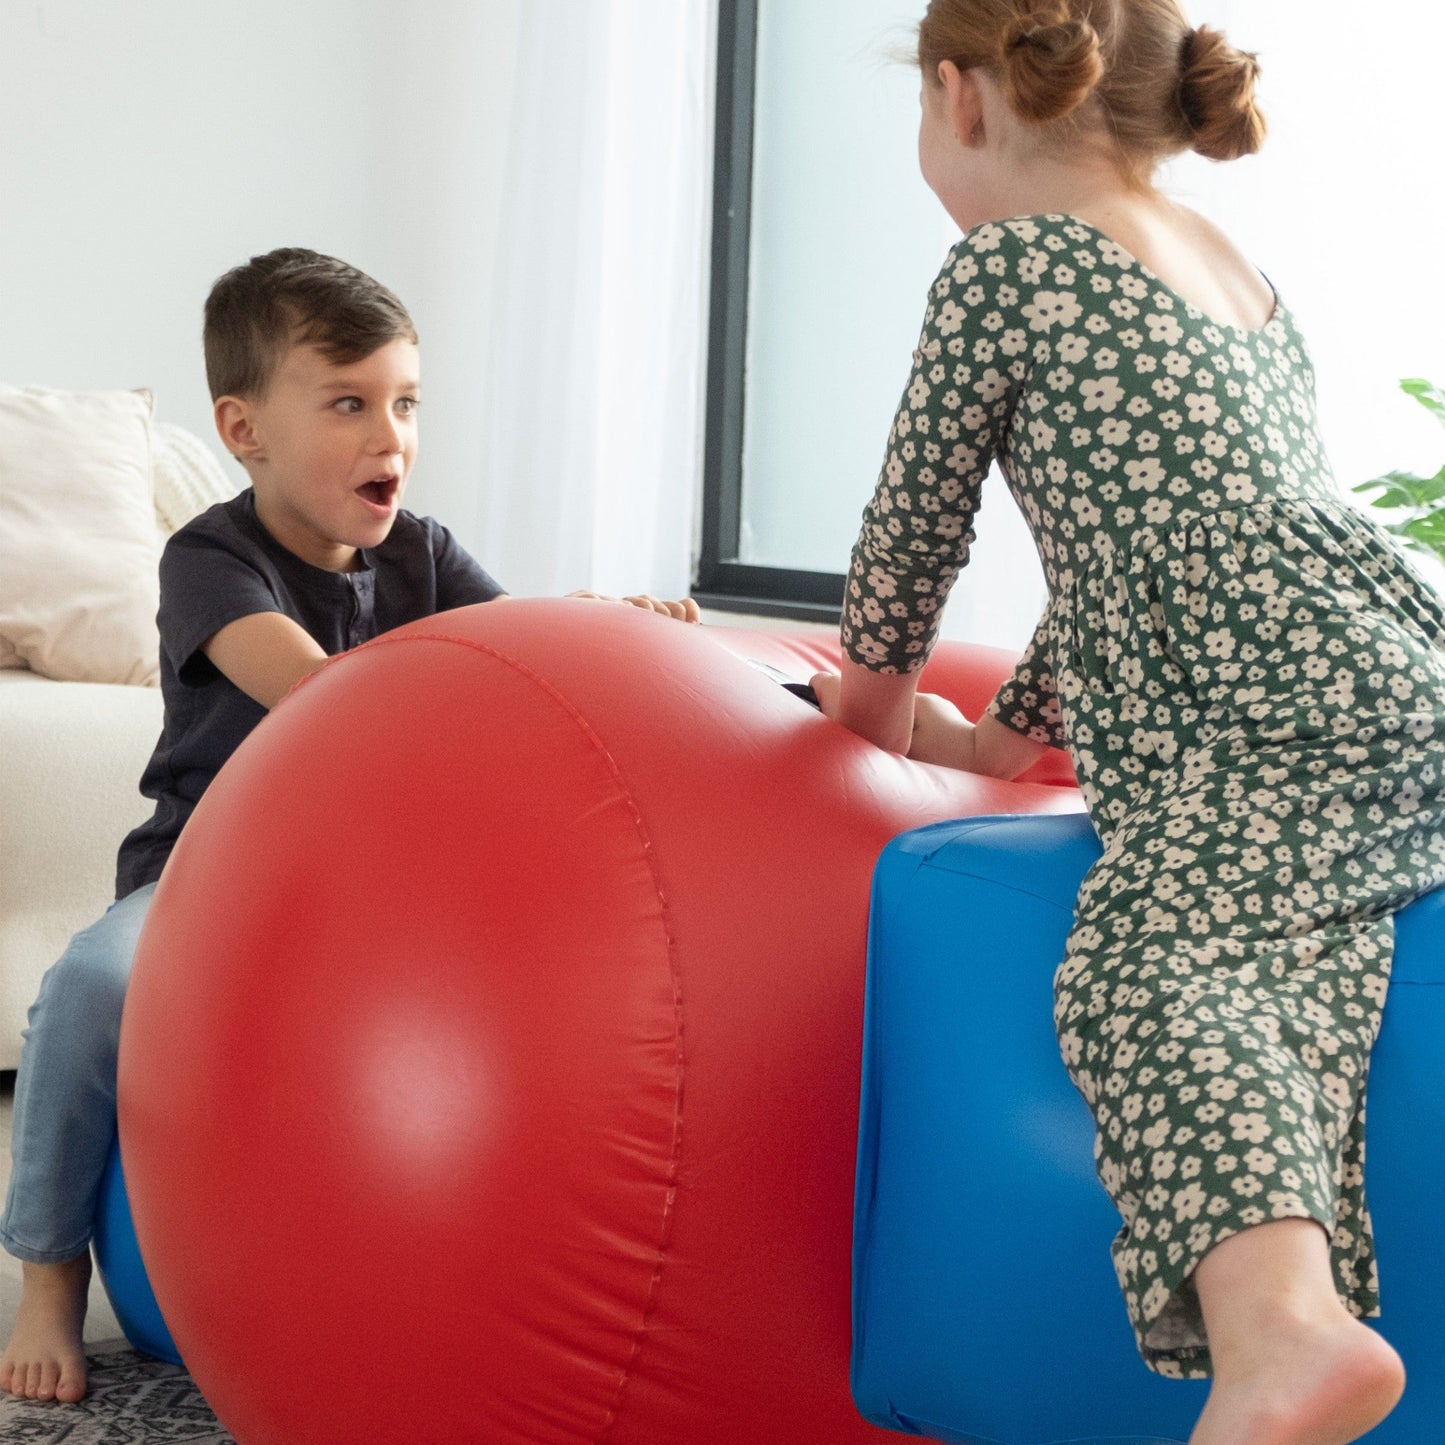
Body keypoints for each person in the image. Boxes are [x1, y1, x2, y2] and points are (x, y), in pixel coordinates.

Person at [809, 4, 1445, 1442]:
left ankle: (1282, 1330)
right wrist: (998, 735)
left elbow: (916, 527)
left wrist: (862, 697)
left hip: (1287, 702)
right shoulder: (1237, 272)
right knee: (1284, 939)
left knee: (1149, 965)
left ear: (963, 100)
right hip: (1393, 666)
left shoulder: (1005, 265)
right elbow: (1165, 543)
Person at [0, 247, 698, 1404]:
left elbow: (518, 654)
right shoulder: (208, 561)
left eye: (405, 402)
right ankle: (47, 1267)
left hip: (378, 888)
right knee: (88, 983)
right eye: (347, 403)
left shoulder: (419, 548)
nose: (391, 435)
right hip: (213, 875)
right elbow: (323, 697)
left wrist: (605, 626)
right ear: (244, 429)